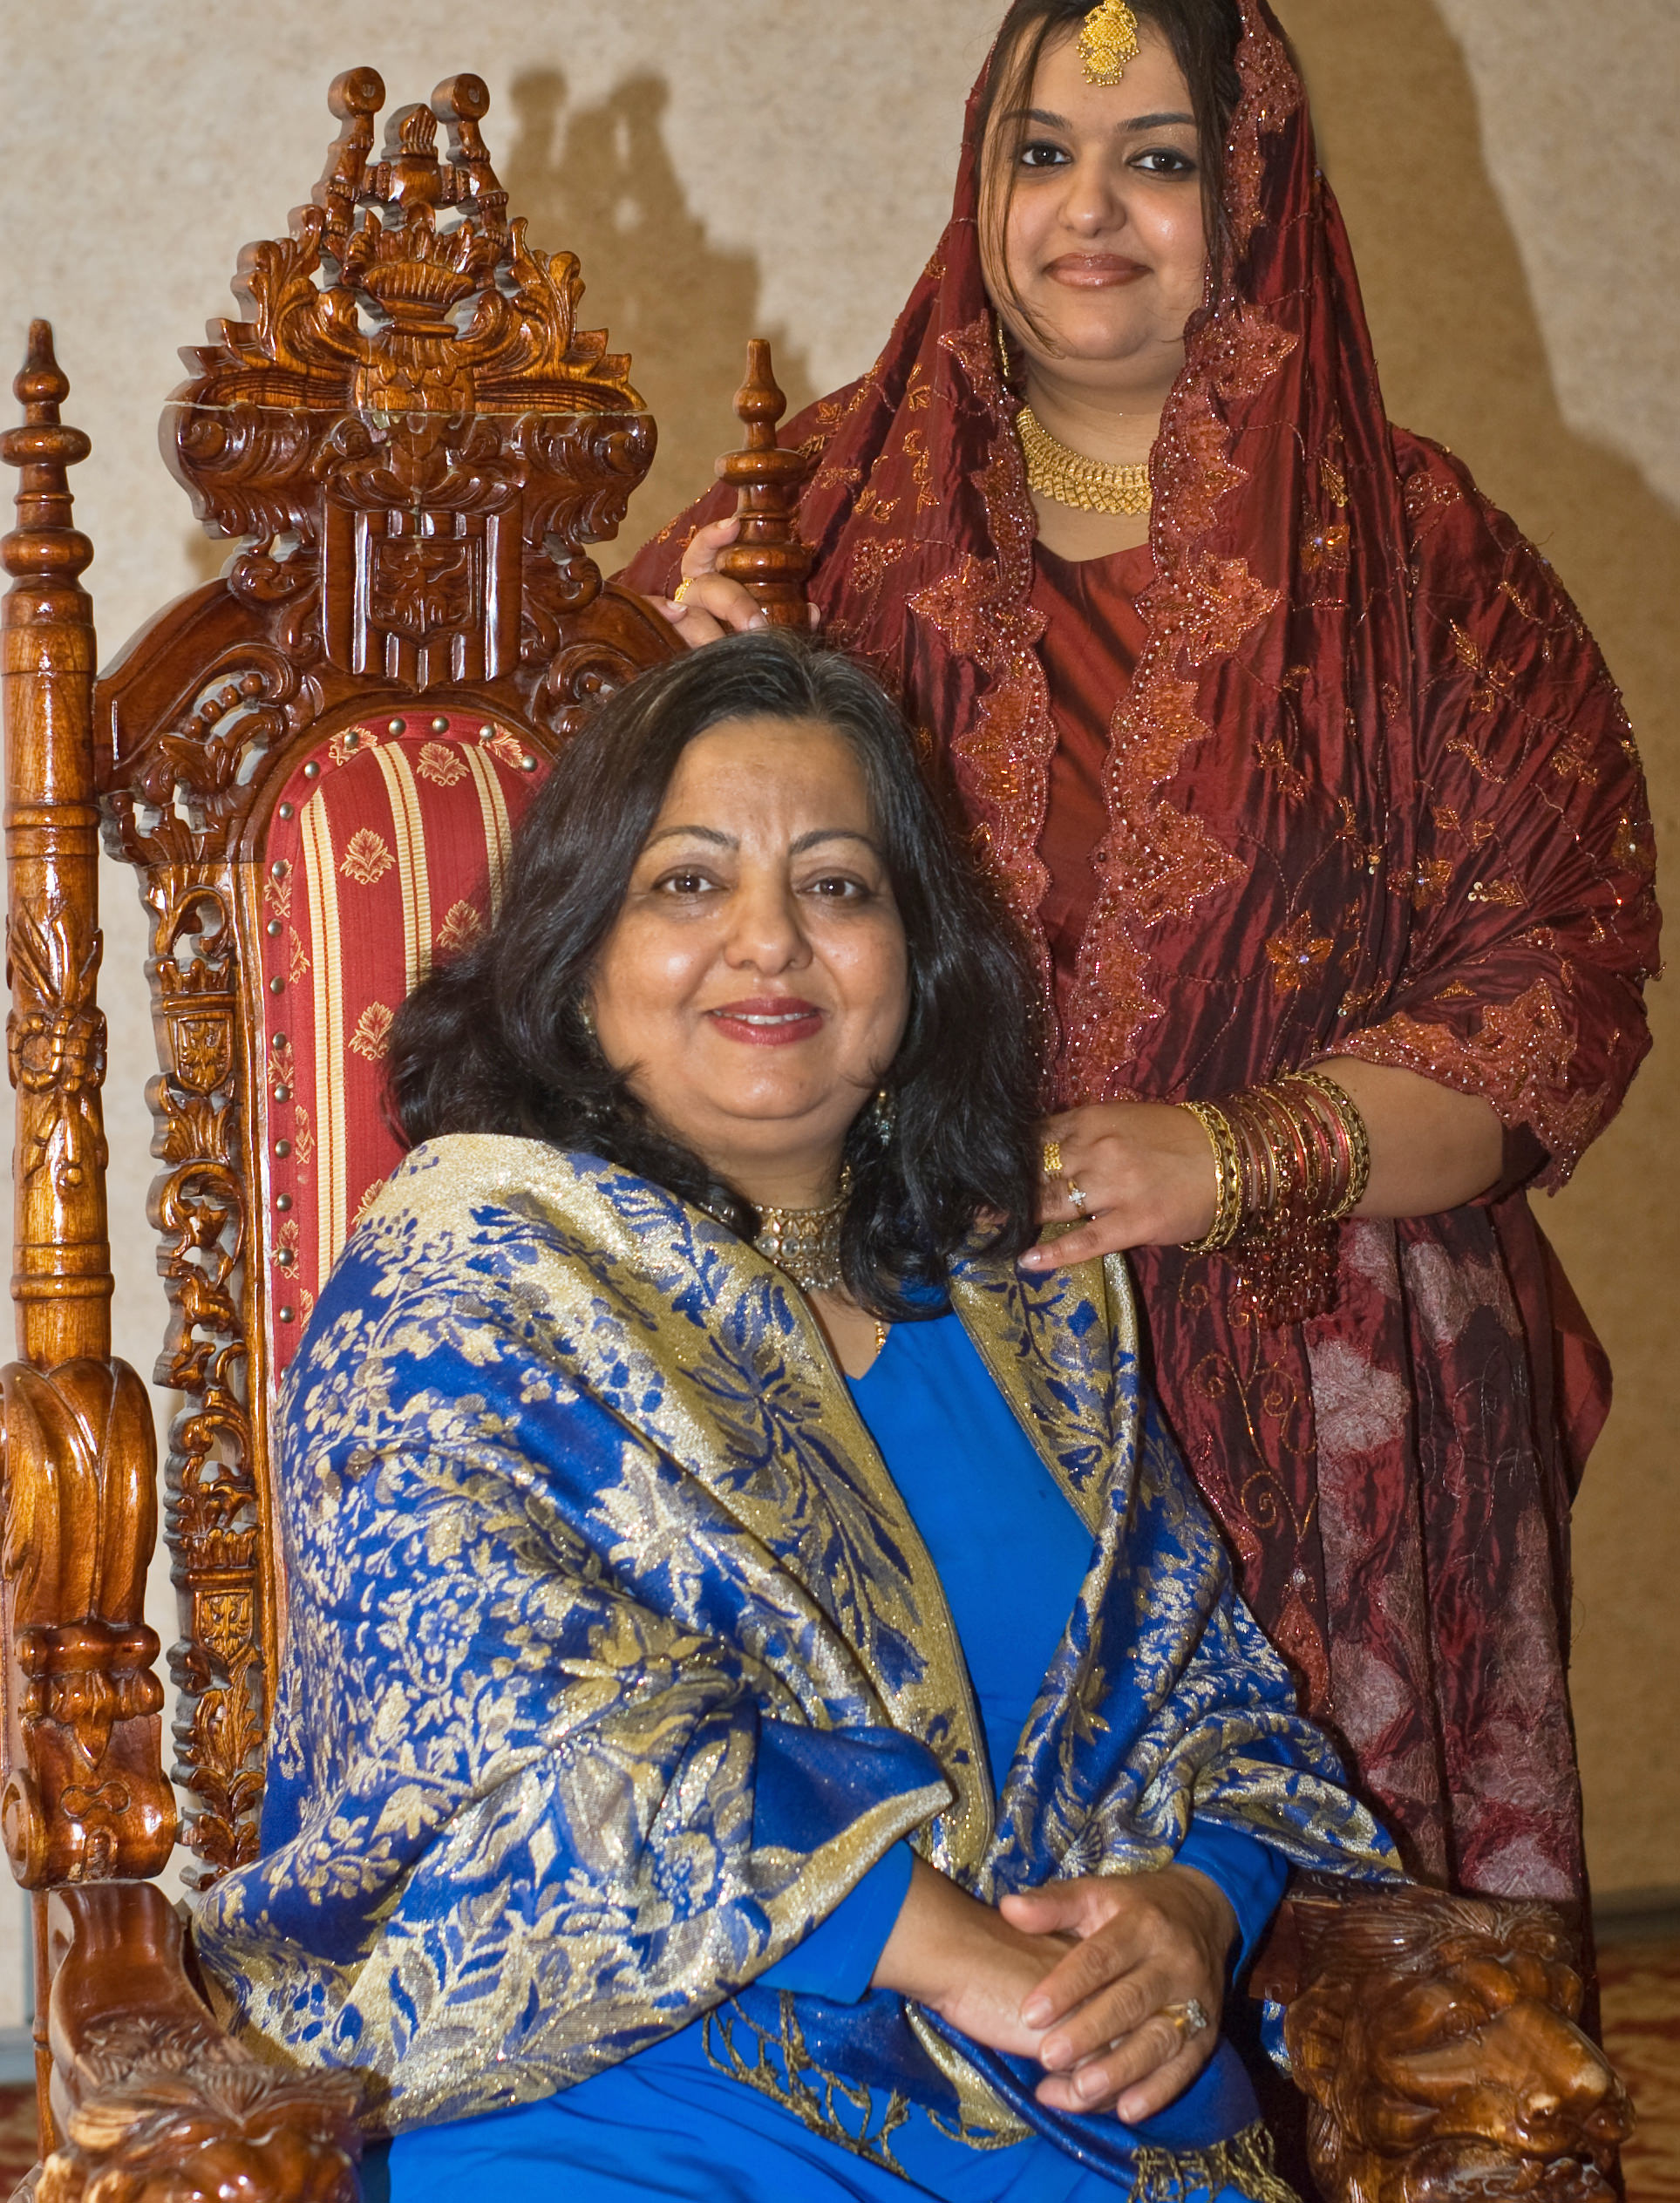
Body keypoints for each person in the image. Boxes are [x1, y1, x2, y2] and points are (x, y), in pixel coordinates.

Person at [623, 0, 1659, 1913]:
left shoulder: (1427, 565)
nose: (1086, 209)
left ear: (1253, 202)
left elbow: (1556, 1001)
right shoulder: (798, 527)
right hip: (909, 1356)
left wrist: (1226, 1155)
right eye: (1041, 151)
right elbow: (613, 940)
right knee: (965, 1985)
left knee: (1339, 2015)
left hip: (1317, 1377)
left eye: (1157, 158)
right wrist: (665, 708)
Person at [194, 635, 1395, 2203]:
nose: (769, 942)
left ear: (918, 960)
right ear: (577, 955)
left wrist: (1196, 1907)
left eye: (836, 886)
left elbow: (1209, 1697)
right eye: (688, 883)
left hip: (1073, 2095)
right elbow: (509, 1734)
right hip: (628, 2099)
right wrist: (960, 1958)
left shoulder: (1029, 1294)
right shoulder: (460, 1280)